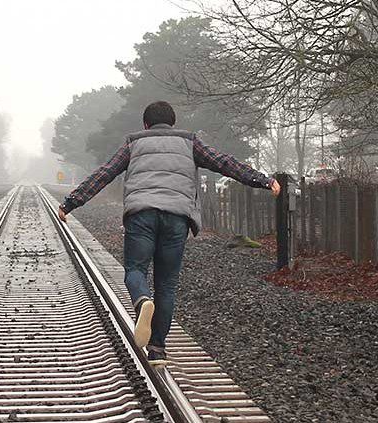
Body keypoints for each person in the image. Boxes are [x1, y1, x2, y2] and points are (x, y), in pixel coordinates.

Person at [57, 101, 280, 364]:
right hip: (176, 217)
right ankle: (157, 349)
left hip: (141, 215)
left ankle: (141, 302)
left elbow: (104, 174)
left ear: (146, 125)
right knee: (167, 284)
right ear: (173, 123)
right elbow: (225, 163)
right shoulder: (190, 143)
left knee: (136, 270)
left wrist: (70, 203)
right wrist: (264, 180)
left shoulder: (134, 143)